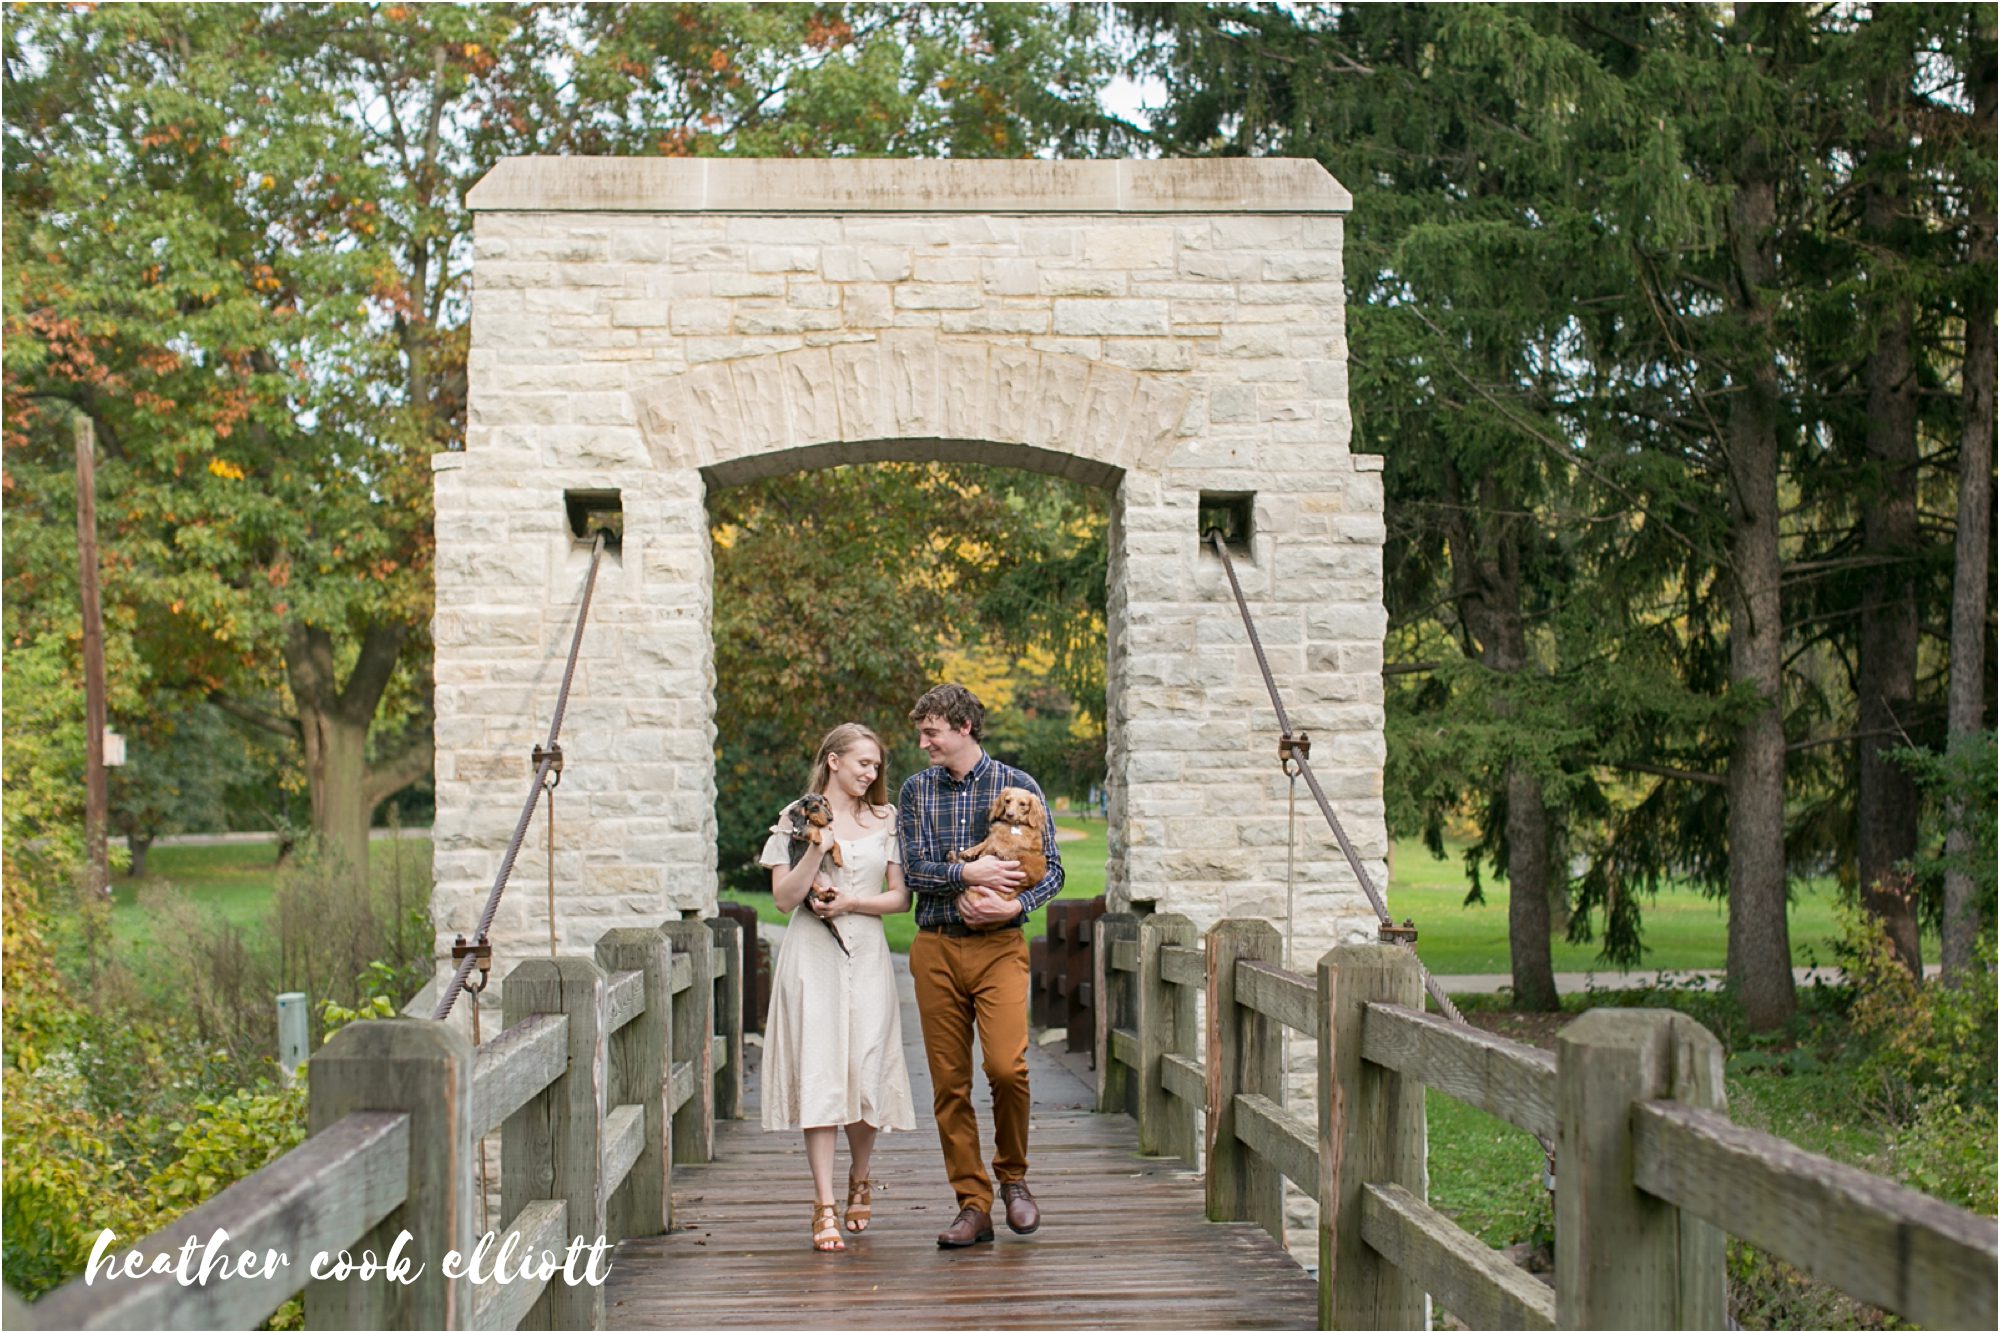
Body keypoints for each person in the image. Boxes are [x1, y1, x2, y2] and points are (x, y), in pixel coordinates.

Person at [896, 683, 1064, 1248]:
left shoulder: (1019, 788)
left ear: (964, 727)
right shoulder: (916, 790)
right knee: (949, 1083)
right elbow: (915, 869)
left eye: (931, 732)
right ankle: (973, 1204)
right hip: (936, 947)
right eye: (923, 733)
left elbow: (1055, 872)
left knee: (1006, 1068)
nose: (924, 743)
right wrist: (970, 875)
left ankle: (1014, 1178)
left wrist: (1015, 903)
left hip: (999, 949)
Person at [758, 722, 918, 1253]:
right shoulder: (794, 817)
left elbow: (900, 899)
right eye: (862, 764)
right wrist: (814, 852)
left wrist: (850, 902)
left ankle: (861, 1175)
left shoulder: (887, 819)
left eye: (876, 766)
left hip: (867, 952)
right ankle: (823, 1202)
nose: (871, 774)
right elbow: (783, 899)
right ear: (833, 760)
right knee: (822, 1068)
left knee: (866, 1066)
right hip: (813, 956)